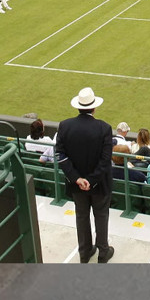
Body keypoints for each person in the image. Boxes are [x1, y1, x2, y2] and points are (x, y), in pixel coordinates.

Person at [55, 87, 115, 264]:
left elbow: (61, 156)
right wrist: (90, 180)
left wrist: (77, 179)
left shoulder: (65, 126)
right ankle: (103, 252)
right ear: (94, 108)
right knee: (101, 216)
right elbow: (105, 161)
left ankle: (85, 252)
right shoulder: (104, 128)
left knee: (81, 217)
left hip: (77, 185)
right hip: (99, 185)